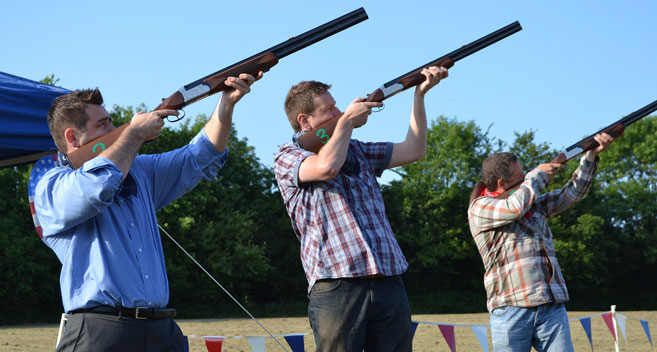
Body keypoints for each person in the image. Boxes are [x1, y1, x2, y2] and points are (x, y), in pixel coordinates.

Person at [35, 72, 261, 352]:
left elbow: (200, 156)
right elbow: (96, 187)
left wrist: (226, 105)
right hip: (99, 332)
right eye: (103, 124)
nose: (115, 128)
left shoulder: (138, 169)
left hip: (161, 330)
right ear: (72, 137)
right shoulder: (51, 185)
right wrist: (134, 134)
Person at [273, 66, 448, 352]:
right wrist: (347, 124)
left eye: (337, 106)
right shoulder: (288, 155)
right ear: (305, 121)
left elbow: (414, 150)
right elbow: (327, 167)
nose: (339, 112)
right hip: (336, 285)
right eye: (329, 109)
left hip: (388, 278)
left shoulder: (357, 149)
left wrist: (420, 95)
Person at [467, 132, 616, 352]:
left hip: (550, 304)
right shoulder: (480, 207)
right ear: (502, 183)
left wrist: (590, 156)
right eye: (520, 176)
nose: (526, 176)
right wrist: (537, 176)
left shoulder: (532, 202)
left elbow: (571, 195)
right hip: (510, 308)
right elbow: (514, 208)